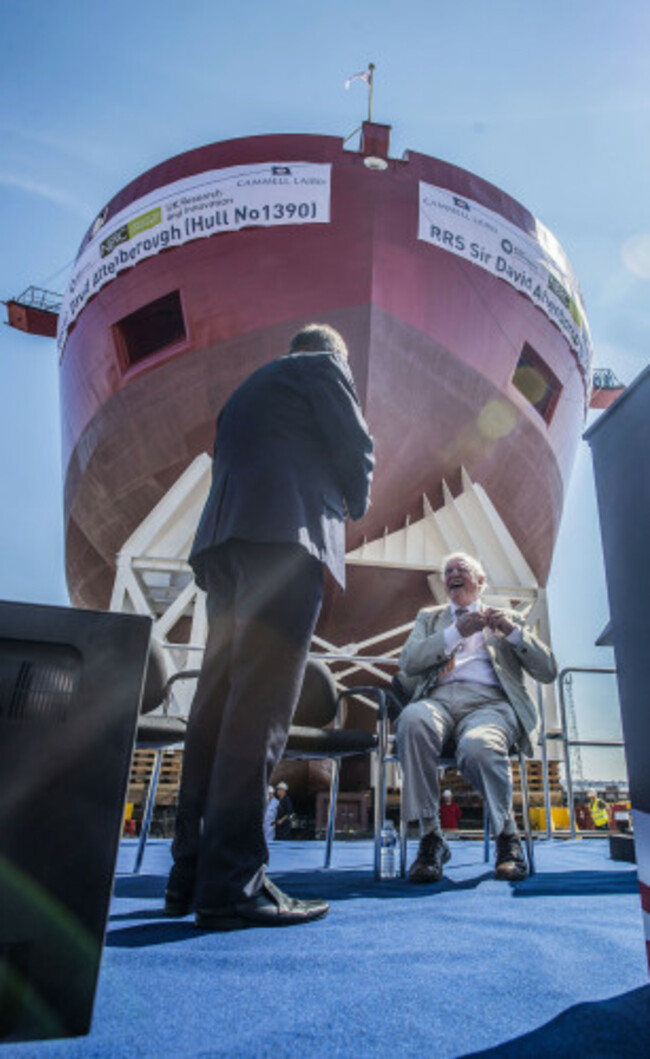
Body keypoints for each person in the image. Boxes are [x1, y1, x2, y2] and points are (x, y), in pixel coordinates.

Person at [165, 323, 374, 929]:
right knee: (259, 714)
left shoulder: (245, 392)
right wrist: (355, 502)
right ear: (336, 352)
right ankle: (233, 885)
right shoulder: (322, 367)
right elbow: (356, 449)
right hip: (286, 544)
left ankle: (189, 876)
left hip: (226, 547)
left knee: (214, 708)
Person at [395, 551, 557, 883]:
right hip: (437, 700)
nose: (453, 573)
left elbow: (548, 671)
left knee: (480, 746)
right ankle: (430, 838)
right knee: (411, 721)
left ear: (480, 582)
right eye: (448, 571)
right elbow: (409, 663)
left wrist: (512, 632)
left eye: (462, 569)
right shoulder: (429, 618)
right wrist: (455, 633)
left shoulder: (510, 617)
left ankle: (507, 837)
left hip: (490, 705)